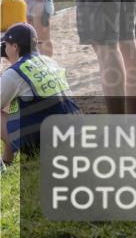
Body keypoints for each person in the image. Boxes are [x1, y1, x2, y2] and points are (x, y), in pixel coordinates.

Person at [1, 23, 79, 165]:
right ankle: (6, 162)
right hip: (76, 135)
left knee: (6, 110)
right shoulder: (50, 62)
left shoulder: (14, 73)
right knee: (14, 105)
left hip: (45, 145)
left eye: (5, 45)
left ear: (14, 47)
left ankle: (8, 162)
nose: (4, 50)